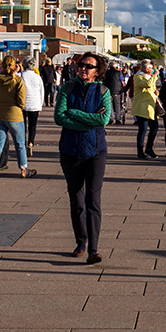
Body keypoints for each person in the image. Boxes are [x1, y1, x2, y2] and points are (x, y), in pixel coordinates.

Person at [55, 54, 113, 264]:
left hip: (96, 151)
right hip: (70, 150)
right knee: (76, 199)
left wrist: (75, 114)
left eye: (89, 66)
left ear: (98, 71)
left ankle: (94, 250)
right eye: (81, 65)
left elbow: (103, 119)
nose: (84, 69)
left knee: (93, 200)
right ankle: (81, 242)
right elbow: (59, 117)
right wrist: (88, 122)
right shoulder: (66, 89)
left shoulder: (103, 91)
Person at [0, 54, 32, 180]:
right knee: (19, 144)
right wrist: (17, 106)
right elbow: (22, 100)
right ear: (14, 67)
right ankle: (23, 169)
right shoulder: (17, 80)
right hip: (15, 116)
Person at [130, 63, 161, 159]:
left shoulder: (148, 77)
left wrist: (156, 93)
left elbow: (151, 88)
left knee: (154, 128)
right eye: (151, 68)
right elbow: (147, 85)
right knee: (143, 130)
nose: (153, 70)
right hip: (142, 108)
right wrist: (155, 75)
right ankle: (140, 152)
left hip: (150, 108)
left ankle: (149, 148)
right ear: (146, 68)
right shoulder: (138, 77)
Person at [20, 57, 46, 157]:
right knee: (32, 126)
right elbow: (41, 91)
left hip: (23, 104)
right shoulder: (37, 77)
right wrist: (40, 105)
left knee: (22, 126)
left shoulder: (21, 75)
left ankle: (22, 144)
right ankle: (30, 143)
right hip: (35, 104)